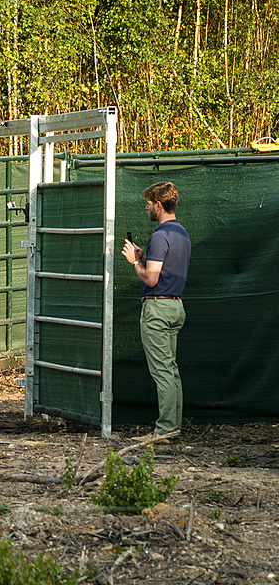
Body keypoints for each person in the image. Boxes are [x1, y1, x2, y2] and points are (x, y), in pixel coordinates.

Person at [121, 181, 191, 442]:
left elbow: (150, 279)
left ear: (159, 205)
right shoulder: (182, 234)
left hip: (158, 308)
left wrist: (135, 262)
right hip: (175, 306)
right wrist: (143, 257)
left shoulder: (159, 236)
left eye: (148, 204)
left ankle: (164, 429)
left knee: (162, 371)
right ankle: (172, 425)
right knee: (170, 370)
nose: (147, 208)